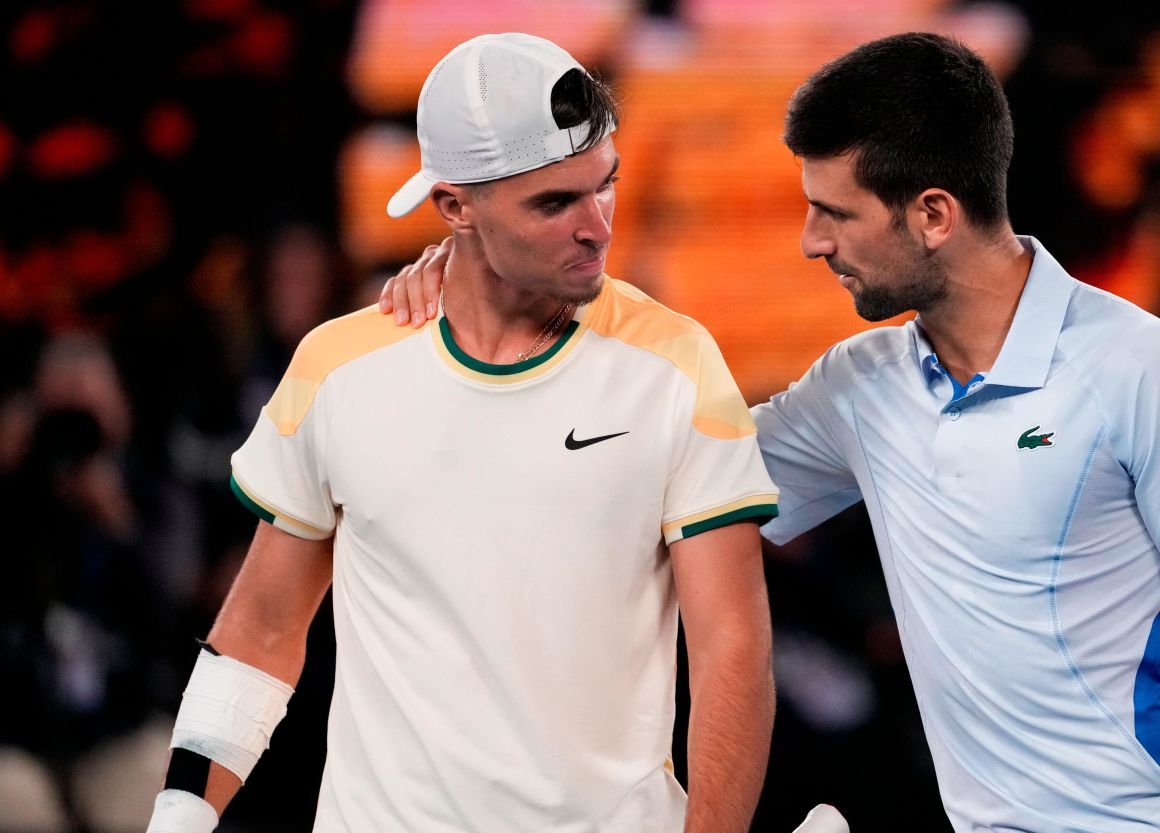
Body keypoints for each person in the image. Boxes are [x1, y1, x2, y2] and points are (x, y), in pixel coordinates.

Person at [384, 32, 1160, 833]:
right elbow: (651, 475)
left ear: (933, 216)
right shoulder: (858, 388)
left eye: (834, 213)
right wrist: (488, 277)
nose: (812, 242)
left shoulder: (1148, 373)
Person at [146, 34, 778, 833]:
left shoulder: (677, 366)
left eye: (605, 185)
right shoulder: (338, 367)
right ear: (454, 207)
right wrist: (178, 815)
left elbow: (732, 649)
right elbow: (262, 631)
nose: (596, 227)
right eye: (554, 203)